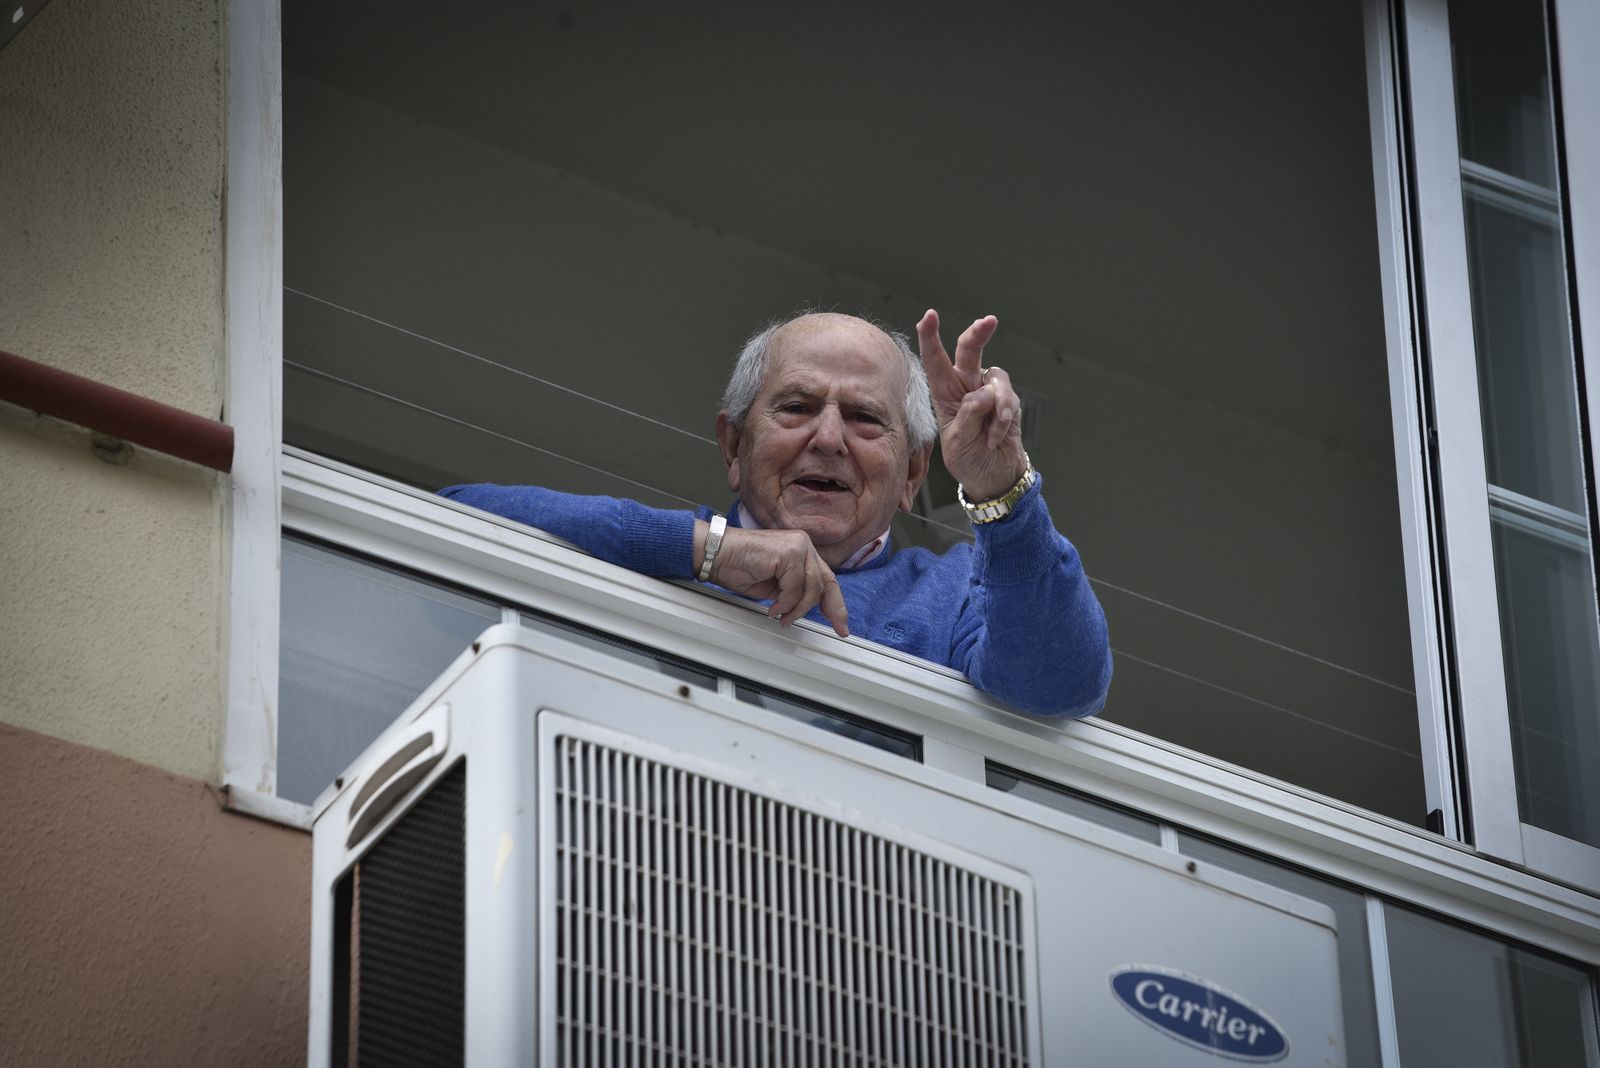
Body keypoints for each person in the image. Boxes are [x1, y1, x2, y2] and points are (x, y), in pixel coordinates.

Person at [441, 309, 1111, 718]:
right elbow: (453, 522)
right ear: (733, 445)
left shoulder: (952, 593)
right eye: (795, 408)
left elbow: (1059, 686)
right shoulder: (668, 552)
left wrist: (1003, 493)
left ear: (912, 475)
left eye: (863, 418)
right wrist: (706, 552)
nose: (827, 438)